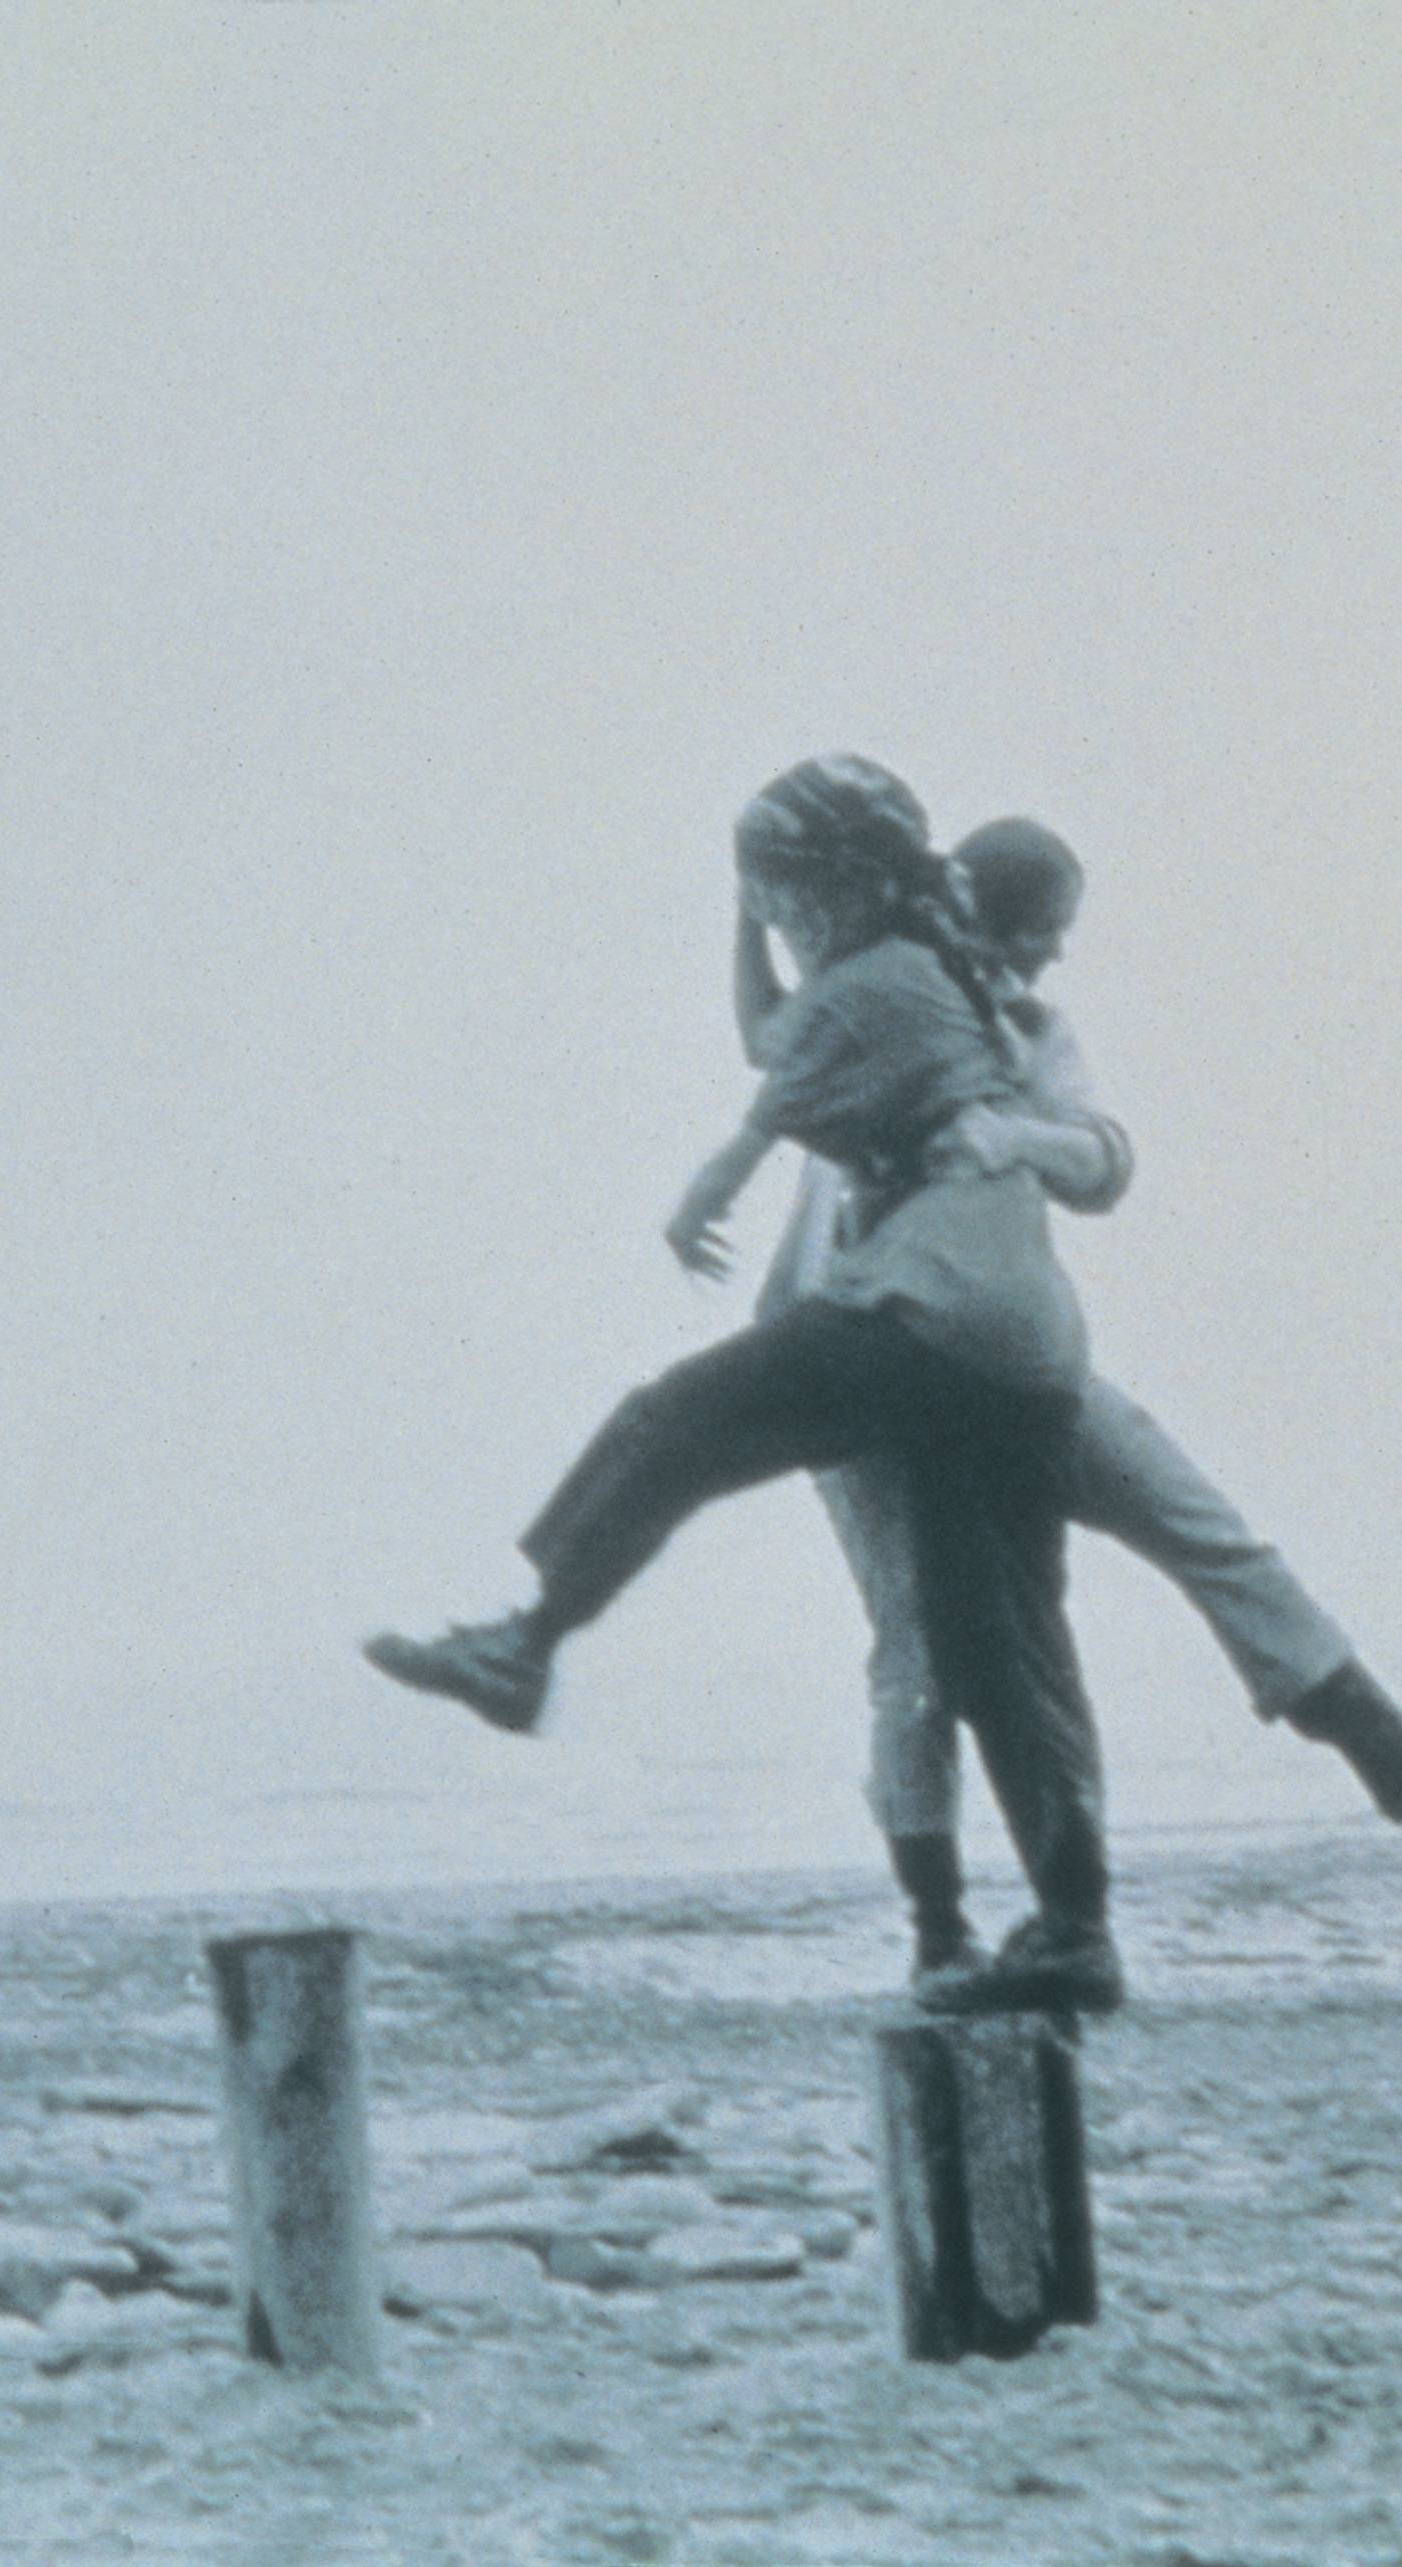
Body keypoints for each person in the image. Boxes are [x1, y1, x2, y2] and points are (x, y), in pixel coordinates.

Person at [365, 755, 1128, 2015]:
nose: (773, 919)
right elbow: (781, 1040)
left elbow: (761, 1065)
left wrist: (709, 1174)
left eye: (779, 897)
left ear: (826, 893)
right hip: (1025, 1343)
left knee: (676, 1421)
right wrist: (744, 905)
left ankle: (526, 1642)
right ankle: (1075, 1928)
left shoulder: (876, 984)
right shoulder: (933, 973)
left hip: (929, 1315)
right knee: (995, 1648)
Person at [751, 818, 1402, 1986]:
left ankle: (1378, 1740)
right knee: (917, 1651)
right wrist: (745, 905)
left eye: (1053, 943)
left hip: (1005, 1371)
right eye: (1036, 937)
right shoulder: (872, 1006)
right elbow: (773, 1038)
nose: (1047, 962)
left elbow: (1104, 1158)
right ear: (970, 914)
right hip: (853, 1375)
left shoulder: (1029, 1030)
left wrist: (1010, 1135)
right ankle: (939, 1929)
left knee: (1189, 1515)